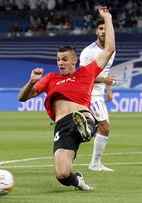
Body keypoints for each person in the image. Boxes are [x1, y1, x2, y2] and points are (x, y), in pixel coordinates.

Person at [17, 7, 114, 191]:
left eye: (64, 59)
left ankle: (87, 127)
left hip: (81, 115)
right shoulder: (50, 78)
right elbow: (22, 98)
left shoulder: (87, 72)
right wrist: (31, 82)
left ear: (74, 60)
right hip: (62, 126)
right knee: (62, 174)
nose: (60, 62)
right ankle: (78, 181)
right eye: (58, 59)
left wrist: (107, 19)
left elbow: (109, 48)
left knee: (84, 118)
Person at [79, 18, 117, 172]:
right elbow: (82, 75)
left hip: (99, 93)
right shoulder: (89, 52)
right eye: (101, 28)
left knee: (101, 127)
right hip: (90, 94)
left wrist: (108, 89)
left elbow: (106, 69)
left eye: (106, 29)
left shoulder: (111, 48)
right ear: (96, 31)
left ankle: (88, 127)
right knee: (105, 127)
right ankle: (95, 164)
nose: (103, 32)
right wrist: (105, 81)